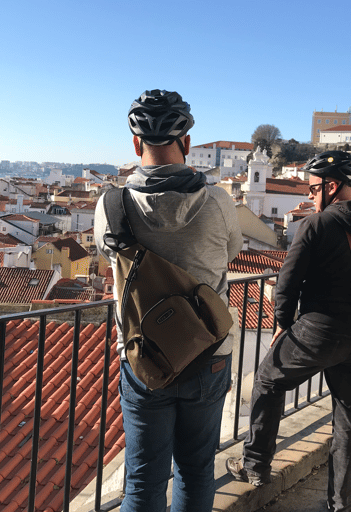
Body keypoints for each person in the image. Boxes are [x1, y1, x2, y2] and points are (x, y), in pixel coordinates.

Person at [226, 151, 351, 512]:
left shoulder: (316, 225)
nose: (310, 195)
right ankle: (341, 505)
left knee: (267, 380)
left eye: (313, 188)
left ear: (332, 185)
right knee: (349, 417)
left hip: (317, 330)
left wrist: (282, 325)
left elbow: (287, 282)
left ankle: (256, 465)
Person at [95, 89, 242, 512]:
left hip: (144, 355)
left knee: (142, 481)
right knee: (196, 471)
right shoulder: (219, 202)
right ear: (188, 143)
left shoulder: (112, 206)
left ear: (136, 144)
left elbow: (111, 263)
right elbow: (230, 253)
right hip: (209, 352)